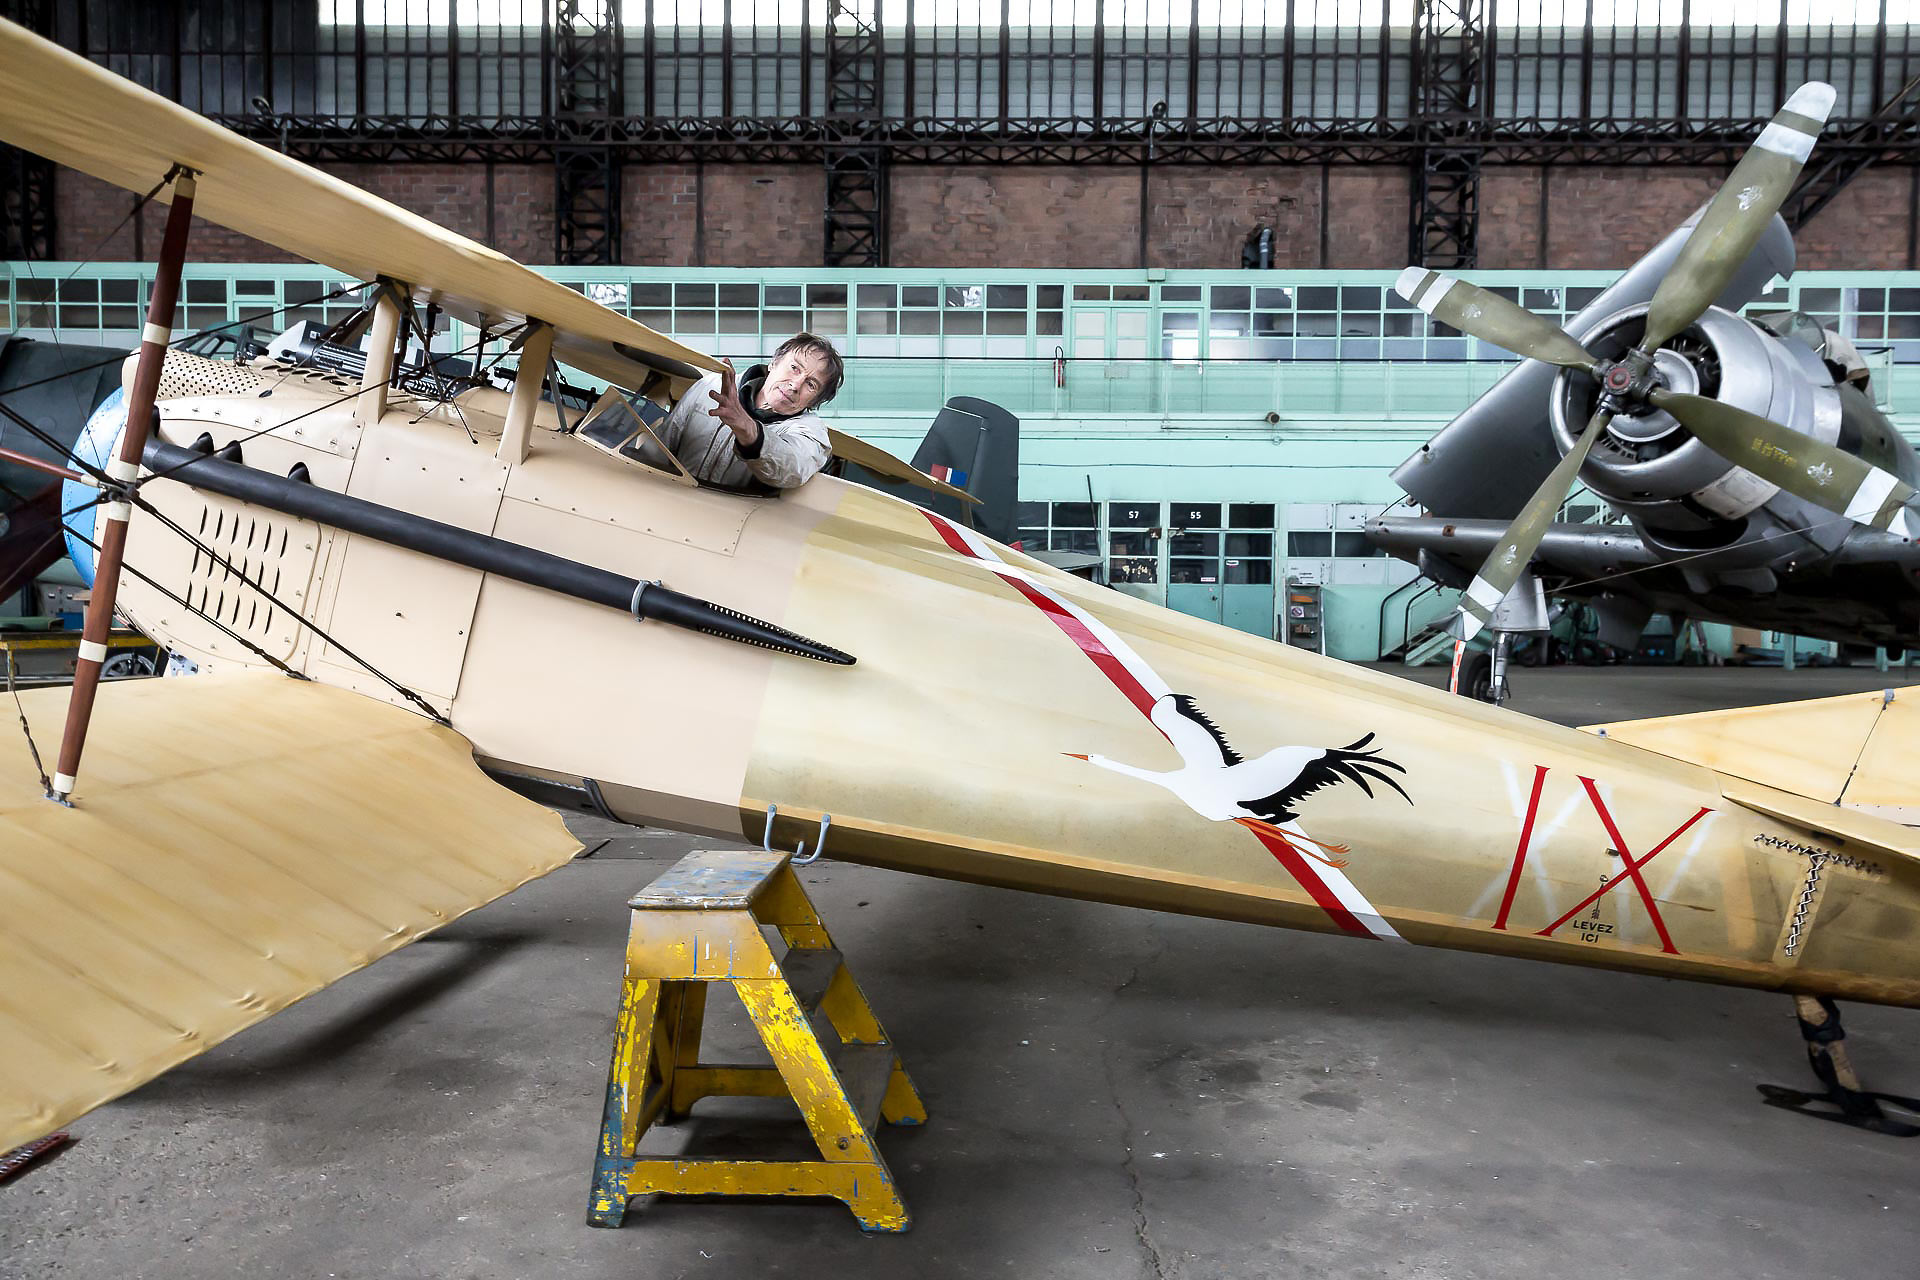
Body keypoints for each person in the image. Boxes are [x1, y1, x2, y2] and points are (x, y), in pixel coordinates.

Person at [654, 333, 842, 489]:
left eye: (811, 384)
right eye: (794, 368)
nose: (795, 385)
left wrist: (749, 432)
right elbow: (662, 445)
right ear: (774, 363)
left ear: (815, 400)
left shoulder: (812, 433)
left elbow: (793, 467)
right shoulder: (711, 386)